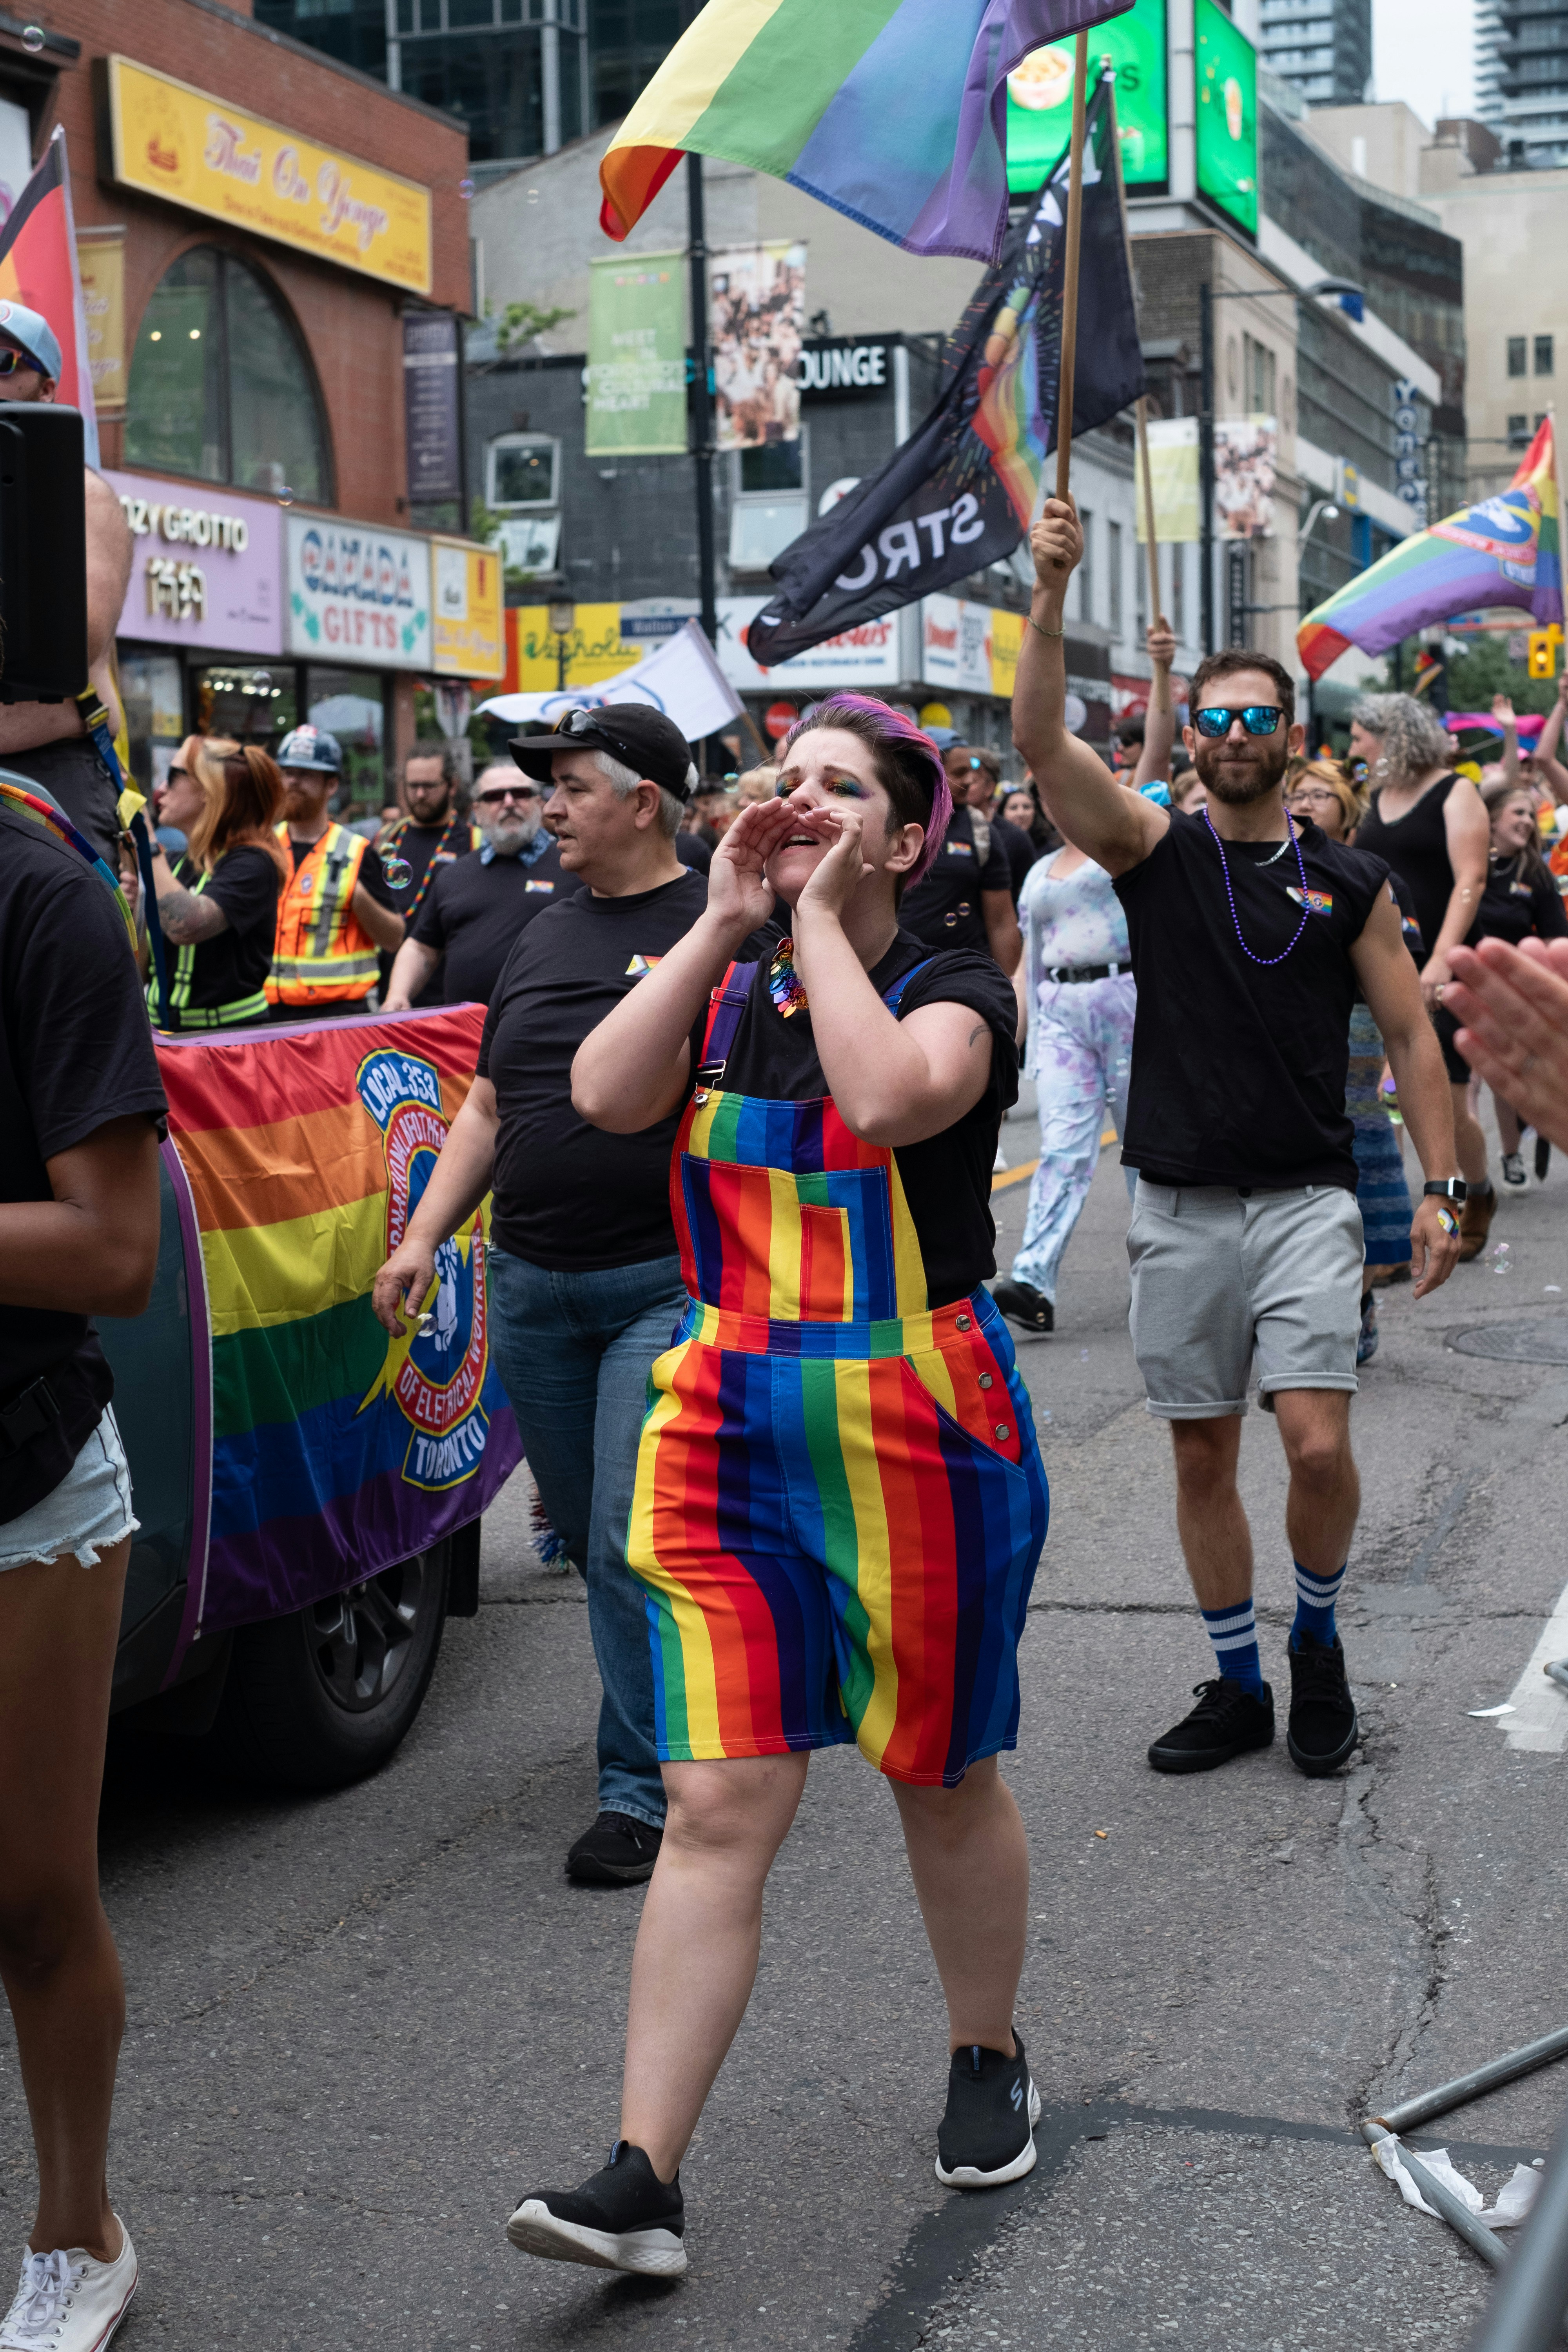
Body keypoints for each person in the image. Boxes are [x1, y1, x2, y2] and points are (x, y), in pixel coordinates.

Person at [498, 693, 1047, 2277]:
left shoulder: (953, 987)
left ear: (908, 832)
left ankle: (984, 2053)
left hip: (916, 1424)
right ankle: (639, 2179)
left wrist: (807, 923)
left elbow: (884, 1101)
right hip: (725, 1411)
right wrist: (722, 924)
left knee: (937, 1774)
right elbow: (601, 1095)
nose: (797, 798)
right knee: (716, 1798)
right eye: (784, 776)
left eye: (840, 788)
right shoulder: (723, 983)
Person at [1014, 497, 1461, 1782]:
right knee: (1203, 1451)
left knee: (1316, 1442)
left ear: (1293, 735)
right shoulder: (1151, 852)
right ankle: (1235, 1678)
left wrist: (1449, 1190)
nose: (1233, 735)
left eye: (1258, 716)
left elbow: (1416, 1043)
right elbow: (1042, 738)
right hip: (1181, 1206)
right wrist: (1050, 593)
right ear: (1192, 743)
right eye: (1212, 719)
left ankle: (1316, 1643)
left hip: (1309, 1201)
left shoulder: (1351, 886)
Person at [372, 707, 713, 1888]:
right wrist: (424, 1236)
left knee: (626, 1538)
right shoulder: (536, 927)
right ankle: (695, 1718)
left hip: (659, 1289)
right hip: (528, 1286)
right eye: (547, 788)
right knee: (586, 1535)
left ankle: (643, 1789)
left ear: (643, 801)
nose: (550, 807)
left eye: (570, 787)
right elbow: (485, 1105)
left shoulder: (719, 926)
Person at [0, 773, 165, 2352]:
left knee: (31, 1901)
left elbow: (116, 1249)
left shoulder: (38, 899)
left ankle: (76, 2232)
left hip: (18, 1466)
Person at [993, 773, 1140, 1338]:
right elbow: (1028, 964)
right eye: (1045, 792)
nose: (1055, 801)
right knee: (1061, 1146)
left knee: (1146, 1153)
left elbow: (1149, 767)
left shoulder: (1123, 849)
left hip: (1127, 1005)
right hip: (1058, 1015)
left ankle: (1164, 1274)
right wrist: (1009, 1045)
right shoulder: (1036, 871)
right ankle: (1032, 1279)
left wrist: (1156, 679)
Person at [1350, 693, 1494, 1259]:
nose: (1357, 747)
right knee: (1392, 1098)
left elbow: (1472, 879)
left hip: (1447, 962)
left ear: (1393, 735)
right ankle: (1401, 1231)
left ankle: (1474, 1194)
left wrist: (1439, 958)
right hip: (1390, 963)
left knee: (1449, 1104)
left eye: (1363, 736)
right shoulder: (1376, 796)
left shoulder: (1455, 791)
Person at [1284, 758, 1414, 1366]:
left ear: (1348, 810)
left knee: (1367, 1164)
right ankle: (1321, 1308)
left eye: (1321, 795)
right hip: (1294, 1043)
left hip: (1360, 1041)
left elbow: (1403, 983)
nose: (1306, 802)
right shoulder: (1265, 873)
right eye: (1298, 793)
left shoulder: (1373, 878)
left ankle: (1358, 1299)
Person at [0, 303, 134, 867]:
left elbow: (75, 642)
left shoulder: (84, 497)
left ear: (47, 388)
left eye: (3, 361)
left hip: (51, 772)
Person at [382, 761, 579, 1013]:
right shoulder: (453, 876)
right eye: (494, 796)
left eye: (519, 793)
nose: (508, 802)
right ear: (477, 810)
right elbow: (421, 948)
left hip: (547, 1030)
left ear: (540, 804)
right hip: (463, 1038)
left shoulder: (573, 866)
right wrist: (398, 994)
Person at [135, 737, 287, 1031]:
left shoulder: (254, 864)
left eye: (172, 777)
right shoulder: (175, 863)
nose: (160, 790)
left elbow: (189, 924)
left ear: (208, 789)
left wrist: (148, 844)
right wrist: (133, 906)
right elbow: (139, 969)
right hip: (164, 1038)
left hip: (229, 1045)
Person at [265, 725, 405, 1020]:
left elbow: (394, 938)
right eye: (287, 772)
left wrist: (356, 896)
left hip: (338, 1017)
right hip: (266, 1013)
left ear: (331, 785)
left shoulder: (357, 851)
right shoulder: (265, 846)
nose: (292, 782)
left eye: (305, 775)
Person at [1473, 770, 1568, 1187]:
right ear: (1490, 819)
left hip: (1508, 990)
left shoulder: (1536, 873)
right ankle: (1467, 1164)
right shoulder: (1465, 864)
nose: (1528, 821)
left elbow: (1556, 941)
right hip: (1458, 985)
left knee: (1499, 1076)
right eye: (1518, 812)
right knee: (1466, 1077)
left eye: (1532, 814)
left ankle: (1510, 1154)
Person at [901, 742, 1022, 971]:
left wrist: (1010, 988)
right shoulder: (894, 821)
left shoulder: (981, 830)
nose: (969, 781)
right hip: (898, 975)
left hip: (962, 972)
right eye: (959, 773)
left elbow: (1001, 921)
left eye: (972, 772)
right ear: (930, 772)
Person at [375, 745, 481, 1004]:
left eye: (429, 786)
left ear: (452, 786)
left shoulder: (474, 840)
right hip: (393, 994)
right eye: (412, 786)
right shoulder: (387, 837)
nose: (419, 794)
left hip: (449, 995)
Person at [1444, 935, 1568, 1156]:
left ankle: (1509, 1155)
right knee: (1479, 1076)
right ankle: (1476, 1167)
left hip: (1525, 1001)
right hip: (1469, 997)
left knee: (1510, 1077)